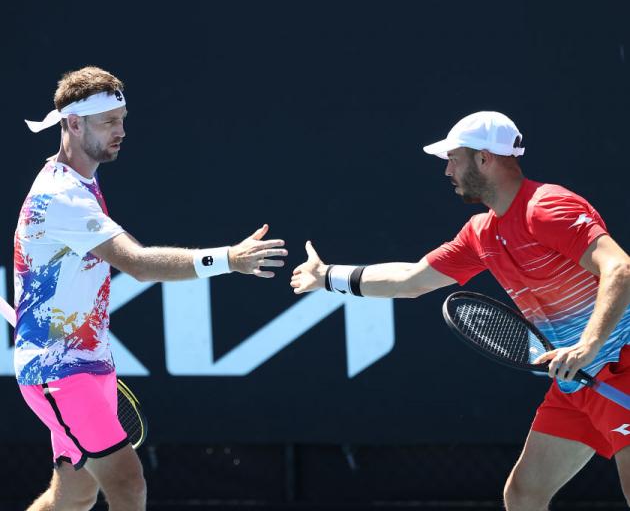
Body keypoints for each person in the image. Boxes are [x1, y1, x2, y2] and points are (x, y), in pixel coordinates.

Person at [290, 111, 630, 510]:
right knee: (524, 496)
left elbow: (619, 267)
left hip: (620, 370)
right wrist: (327, 275)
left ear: (485, 158)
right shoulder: (481, 232)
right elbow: (411, 280)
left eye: (454, 158)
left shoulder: (547, 207)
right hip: (577, 384)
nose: (447, 169)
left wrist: (588, 345)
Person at [15, 66, 287, 511]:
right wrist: (228, 259)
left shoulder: (80, 180)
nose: (121, 131)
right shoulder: (61, 196)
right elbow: (138, 264)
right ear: (73, 123)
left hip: (88, 365)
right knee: (128, 483)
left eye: (123, 119)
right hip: (60, 371)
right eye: (109, 122)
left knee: (74, 497)